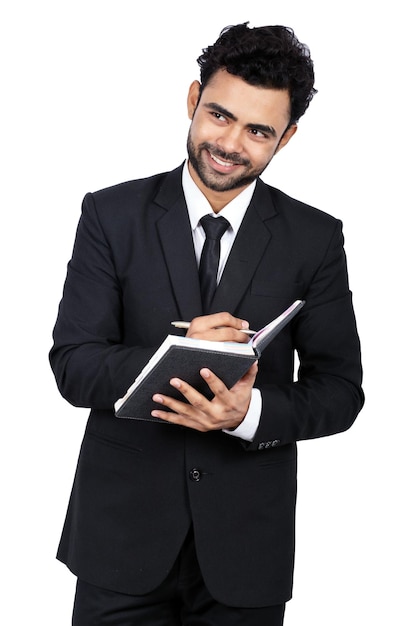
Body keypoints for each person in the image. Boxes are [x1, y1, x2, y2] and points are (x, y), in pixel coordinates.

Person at [50, 22, 364, 625]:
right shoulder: (111, 214)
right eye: (219, 115)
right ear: (193, 100)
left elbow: (341, 391)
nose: (231, 143)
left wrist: (247, 416)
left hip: (247, 550)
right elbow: (73, 366)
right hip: (120, 544)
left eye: (258, 130)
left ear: (287, 137)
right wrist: (174, 352)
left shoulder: (315, 238)